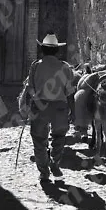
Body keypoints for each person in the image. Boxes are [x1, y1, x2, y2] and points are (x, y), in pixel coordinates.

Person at [24, 33, 76, 183]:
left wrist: (29, 107)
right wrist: (72, 110)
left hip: (40, 106)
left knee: (39, 139)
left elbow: (30, 89)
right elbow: (69, 92)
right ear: (57, 51)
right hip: (60, 107)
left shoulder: (35, 66)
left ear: (42, 50)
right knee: (59, 137)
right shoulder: (65, 68)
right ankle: (54, 162)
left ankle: (44, 172)